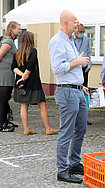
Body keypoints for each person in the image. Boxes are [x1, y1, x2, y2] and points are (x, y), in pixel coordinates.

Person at [48, 10, 89, 184]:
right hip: (67, 92)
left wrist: (81, 85)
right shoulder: (57, 41)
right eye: (75, 22)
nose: (77, 25)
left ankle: (73, 163)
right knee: (66, 132)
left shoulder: (70, 40)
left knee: (81, 129)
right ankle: (62, 170)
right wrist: (77, 62)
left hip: (77, 90)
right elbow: (58, 68)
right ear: (65, 23)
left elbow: (69, 69)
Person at [11, 31, 59, 135]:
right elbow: (31, 66)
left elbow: (13, 67)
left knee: (24, 105)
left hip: (21, 84)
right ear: (31, 40)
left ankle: (26, 128)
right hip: (33, 83)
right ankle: (48, 128)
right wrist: (24, 77)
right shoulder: (33, 51)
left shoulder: (17, 52)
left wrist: (21, 77)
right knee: (42, 104)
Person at [0, 21, 21, 132]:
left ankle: (5, 121)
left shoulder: (11, 41)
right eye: (18, 28)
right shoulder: (7, 41)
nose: (19, 31)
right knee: (3, 99)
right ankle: (2, 124)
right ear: (11, 29)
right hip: (4, 74)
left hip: (8, 73)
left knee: (6, 98)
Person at [73, 23, 92, 125]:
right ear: (75, 31)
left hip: (84, 68)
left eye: (83, 32)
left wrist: (89, 65)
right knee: (75, 91)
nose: (81, 34)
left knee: (84, 92)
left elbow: (89, 52)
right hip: (75, 67)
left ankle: (84, 116)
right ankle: (75, 116)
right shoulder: (71, 39)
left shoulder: (86, 40)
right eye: (80, 32)